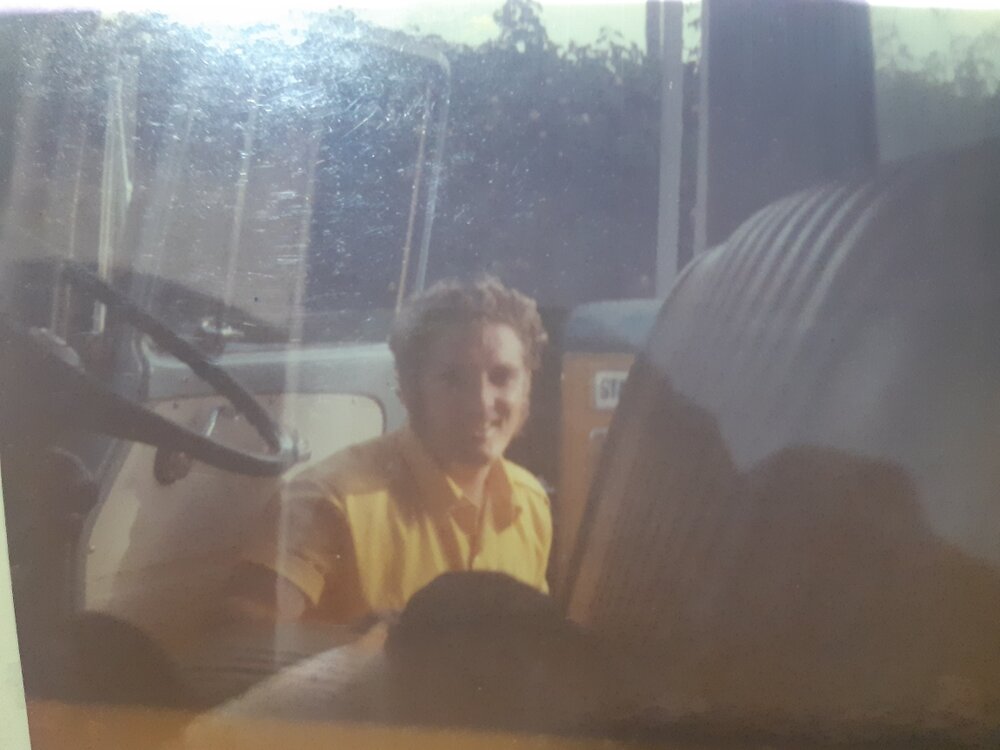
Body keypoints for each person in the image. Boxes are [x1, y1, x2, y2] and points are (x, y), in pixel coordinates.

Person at [223, 277, 552, 625]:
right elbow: (243, 640)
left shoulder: (531, 503)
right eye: (452, 379)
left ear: (527, 388)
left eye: (502, 377)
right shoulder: (328, 503)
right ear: (409, 389)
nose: (480, 403)